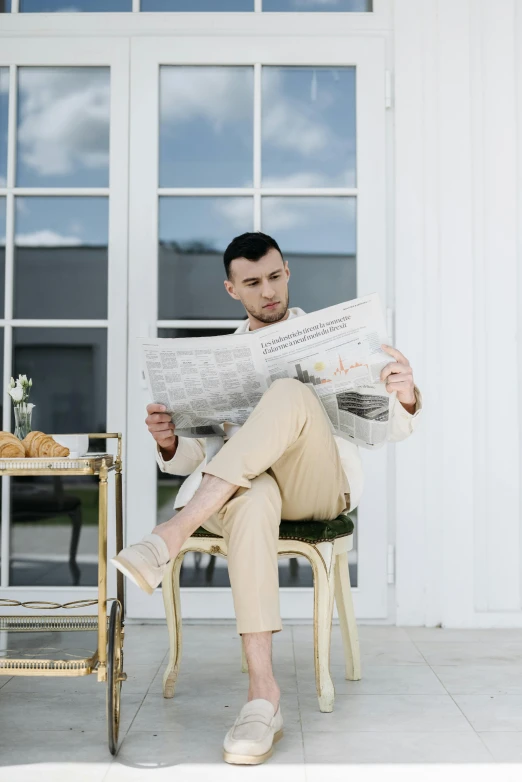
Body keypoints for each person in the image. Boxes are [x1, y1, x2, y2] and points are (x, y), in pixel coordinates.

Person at [112, 231, 422, 766]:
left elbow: (388, 431)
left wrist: (407, 394)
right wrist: (167, 441)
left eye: (275, 277)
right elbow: (198, 451)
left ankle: (172, 533)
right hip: (247, 486)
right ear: (232, 290)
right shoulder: (223, 354)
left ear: (287, 273)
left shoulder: (335, 340)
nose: (268, 291)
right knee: (251, 495)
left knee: (289, 392)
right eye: (253, 283)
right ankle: (263, 696)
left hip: (318, 485)